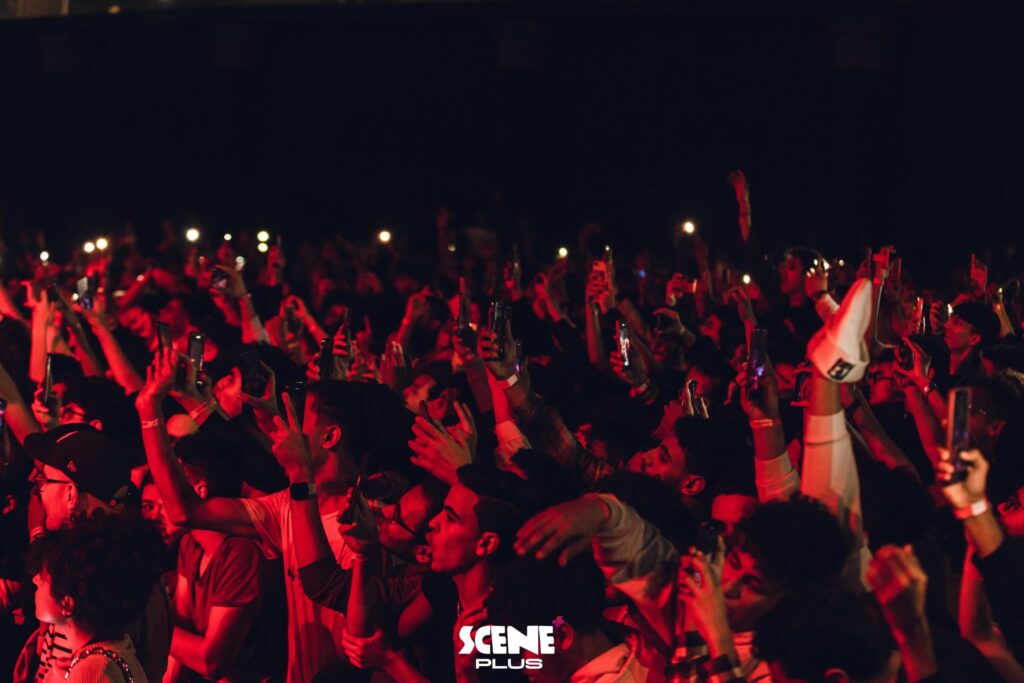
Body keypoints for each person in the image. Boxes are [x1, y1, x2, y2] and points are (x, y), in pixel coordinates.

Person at [24, 512, 164, 683]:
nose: (35, 579)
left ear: (67, 603)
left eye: (44, 578)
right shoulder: (117, 650)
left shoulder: (93, 672)